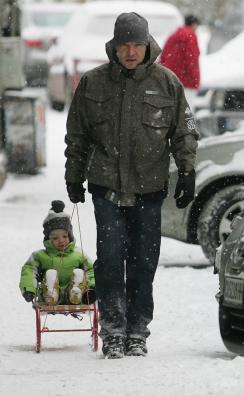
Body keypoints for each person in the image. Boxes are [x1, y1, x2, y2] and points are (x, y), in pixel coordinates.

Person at [64, 12, 199, 359]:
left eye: (136, 44)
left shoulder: (167, 83)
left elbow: (183, 131)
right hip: (106, 187)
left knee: (143, 262)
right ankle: (112, 329)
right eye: (124, 44)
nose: (130, 52)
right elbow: (77, 135)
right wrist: (73, 176)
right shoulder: (93, 83)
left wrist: (187, 171)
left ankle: (137, 330)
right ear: (114, 46)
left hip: (149, 189)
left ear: (146, 44)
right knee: (109, 261)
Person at [20, 200, 95, 306]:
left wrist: (92, 288)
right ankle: (51, 293)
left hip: (77, 298)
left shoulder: (78, 254)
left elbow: (91, 270)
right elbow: (29, 270)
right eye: (55, 238)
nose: (61, 240)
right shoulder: (40, 256)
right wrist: (29, 289)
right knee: (50, 273)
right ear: (48, 240)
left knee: (79, 273)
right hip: (49, 299)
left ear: (70, 236)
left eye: (65, 236)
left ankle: (75, 292)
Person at [159, 14, 200, 109]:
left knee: (172, 111)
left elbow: (163, 57)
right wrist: (195, 79)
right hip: (187, 81)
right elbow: (192, 59)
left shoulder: (173, 36)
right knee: (186, 113)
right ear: (194, 24)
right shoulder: (191, 36)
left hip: (171, 80)